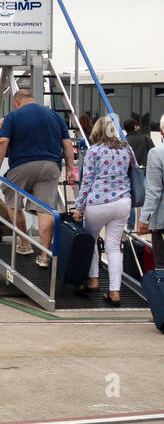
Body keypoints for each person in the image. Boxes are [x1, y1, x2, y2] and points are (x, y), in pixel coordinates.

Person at [0, 88, 78, 267]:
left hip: (23, 165)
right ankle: (45, 255)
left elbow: (3, 141)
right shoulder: (55, 117)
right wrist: (70, 169)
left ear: (16, 102)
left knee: (13, 201)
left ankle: (25, 243)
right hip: (51, 166)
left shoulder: (13, 117)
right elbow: (67, 145)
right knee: (45, 209)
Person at [72, 117, 134, 303]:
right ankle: (115, 292)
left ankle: (93, 280)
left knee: (91, 241)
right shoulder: (127, 149)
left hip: (98, 203)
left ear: (97, 131)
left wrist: (79, 207)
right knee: (114, 247)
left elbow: (87, 181)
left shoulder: (94, 151)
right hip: (123, 202)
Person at [136, 117, 164, 266]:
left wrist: (144, 219)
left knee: (161, 267)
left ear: (161, 132)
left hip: (161, 222)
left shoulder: (157, 153)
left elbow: (154, 191)